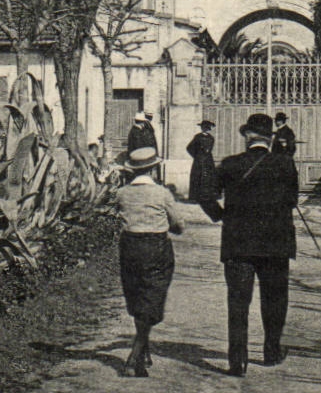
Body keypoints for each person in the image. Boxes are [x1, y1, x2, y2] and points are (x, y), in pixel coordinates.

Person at [197, 113, 300, 376]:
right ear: (270, 138)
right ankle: (272, 351)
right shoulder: (285, 165)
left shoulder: (231, 164)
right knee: (275, 298)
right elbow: (292, 200)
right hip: (276, 245)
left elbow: (205, 194)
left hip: (238, 243)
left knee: (238, 302)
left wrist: (222, 216)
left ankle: (238, 361)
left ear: (247, 136)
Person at [115, 145, 184, 377]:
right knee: (152, 296)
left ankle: (143, 350)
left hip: (130, 246)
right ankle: (136, 353)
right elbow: (178, 225)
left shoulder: (122, 193)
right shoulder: (162, 194)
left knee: (136, 295)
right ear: (154, 169)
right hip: (156, 247)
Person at [186, 120, 218, 204]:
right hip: (199, 161)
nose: (206, 129)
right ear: (202, 128)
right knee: (198, 177)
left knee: (209, 178)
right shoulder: (197, 137)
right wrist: (196, 156)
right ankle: (196, 197)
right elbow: (189, 147)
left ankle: (207, 197)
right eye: (204, 128)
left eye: (208, 128)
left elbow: (210, 149)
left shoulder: (211, 138)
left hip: (208, 160)